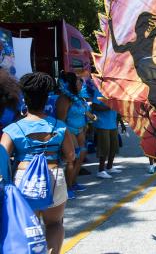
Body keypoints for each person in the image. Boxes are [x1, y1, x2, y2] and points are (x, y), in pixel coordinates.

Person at [1, 72, 75, 254]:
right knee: (55, 223)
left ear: (24, 99)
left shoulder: (12, 129)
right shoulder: (59, 126)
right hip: (54, 175)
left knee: (28, 225)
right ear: (47, 98)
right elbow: (71, 155)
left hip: (23, 178)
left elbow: (2, 155)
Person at [56, 71, 93, 198]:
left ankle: (73, 183)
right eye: (78, 80)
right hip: (69, 131)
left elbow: (85, 113)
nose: (81, 82)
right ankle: (67, 187)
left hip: (80, 129)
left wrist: (90, 119)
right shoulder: (64, 99)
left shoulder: (79, 98)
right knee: (73, 157)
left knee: (82, 155)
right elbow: (61, 121)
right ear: (71, 83)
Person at [92, 88, 121, 179]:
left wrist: (120, 122)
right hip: (102, 124)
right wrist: (108, 107)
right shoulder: (99, 90)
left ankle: (109, 167)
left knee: (114, 147)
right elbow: (94, 106)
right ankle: (101, 170)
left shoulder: (115, 91)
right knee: (104, 147)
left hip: (113, 124)